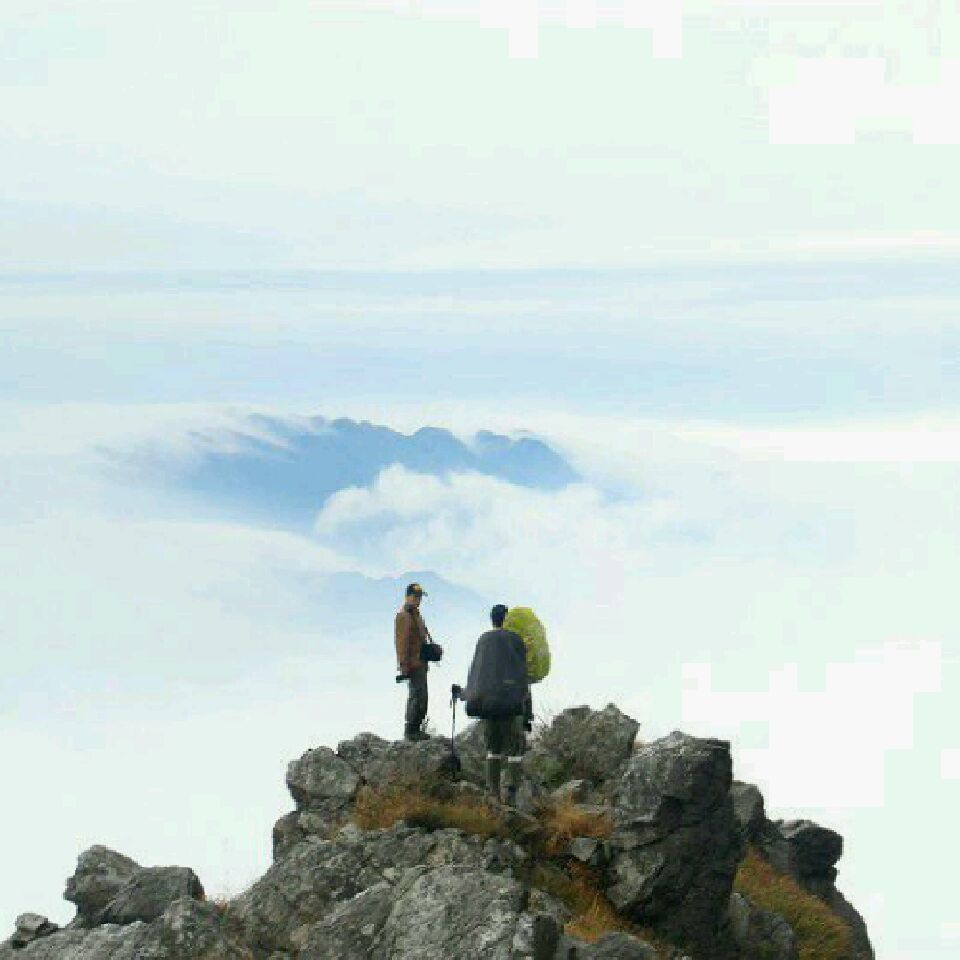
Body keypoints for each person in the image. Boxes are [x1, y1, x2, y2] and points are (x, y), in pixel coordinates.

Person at [453, 604, 529, 805]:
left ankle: (493, 793)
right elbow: (523, 675)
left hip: (487, 704)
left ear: (492, 619)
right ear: (507, 618)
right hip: (510, 704)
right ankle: (511, 793)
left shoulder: (483, 640)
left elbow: (476, 673)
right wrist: (526, 710)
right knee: (515, 750)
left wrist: (465, 694)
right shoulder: (515, 639)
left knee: (493, 749)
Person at [395, 582, 437, 741]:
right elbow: (401, 643)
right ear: (407, 596)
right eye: (415, 596)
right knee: (416, 696)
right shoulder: (404, 616)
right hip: (412, 664)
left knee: (422, 696)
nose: (418, 600)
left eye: (419, 597)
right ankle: (411, 730)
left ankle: (416, 728)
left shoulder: (416, 615)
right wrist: (404, 666)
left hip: (421, 663)